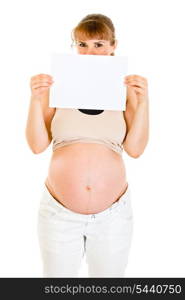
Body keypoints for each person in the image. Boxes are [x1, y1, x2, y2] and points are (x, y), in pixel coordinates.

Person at [25, 13, 149, 278]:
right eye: (82, 44)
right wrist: (35, 101)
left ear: (113, 46)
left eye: (99, 44)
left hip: (112, 217)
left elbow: (136, 150)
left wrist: (144, 103)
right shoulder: (57, 87)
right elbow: (37, 146)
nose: (90, 52)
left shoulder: (127, 90)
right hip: (59, 214)